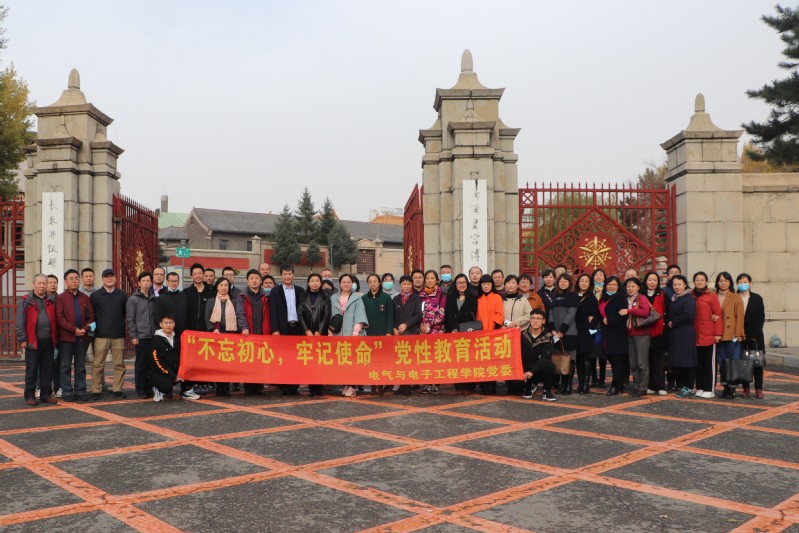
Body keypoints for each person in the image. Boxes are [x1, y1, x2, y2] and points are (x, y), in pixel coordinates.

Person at [16, 274, 58, 406]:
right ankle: (29, 395)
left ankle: (46, 395)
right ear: (33, 284)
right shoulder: (26, 300)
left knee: (47, 370)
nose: (42, 286)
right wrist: (22, 339)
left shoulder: (51, 300)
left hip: (49, 341)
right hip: (32, 341)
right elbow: (20, 321)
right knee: (32, 370)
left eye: (44, 283)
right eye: (39, 283)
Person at [56, 269, 95, 402]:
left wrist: (85, 329)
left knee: (80, 366)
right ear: (65, 281)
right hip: (66, 338)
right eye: (71, 278)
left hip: (82, 337)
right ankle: (67, 391)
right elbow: (60, 318)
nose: (74, 281)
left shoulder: (85, 298)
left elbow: (92, 317)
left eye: (76, 278)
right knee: (65, 366)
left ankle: (80, 391)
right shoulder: (60, 298)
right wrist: (74, 330)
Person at [89, 269, 128, 400]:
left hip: (118, 335)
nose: (109, 279)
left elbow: (125, 314)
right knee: (98, 365)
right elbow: (92, 316)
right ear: (102, 279)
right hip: (101, 335)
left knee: (119, 364)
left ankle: (117, 389)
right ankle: (96, 389)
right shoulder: (95, 296)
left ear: (115, 278)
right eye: (107, 277)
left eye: (112, 276)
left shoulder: (122, 295)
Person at [269, 265, 306, 395]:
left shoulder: (301, 291)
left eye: (290, 274)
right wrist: (275, 329)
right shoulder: (275, 291)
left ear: (293, 275)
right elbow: (272, 312)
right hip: (282, 329)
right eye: (285, 274)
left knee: (296, 358)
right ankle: (284, 385)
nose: (287, 276)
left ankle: (294, 385)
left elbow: (305, 312)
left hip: (297, 329)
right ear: (281, 276)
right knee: (283, 359)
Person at [330, 274, 368, 397]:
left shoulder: (357, 298)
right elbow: (330, 316)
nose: (346, 284)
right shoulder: (333, 298)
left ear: (352, 284)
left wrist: (355, 332)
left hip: (353, 334)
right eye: (344, 282)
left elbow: (360, 315)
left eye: (348, 282)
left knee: (353, 361)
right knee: (342, 361)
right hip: (338, 334)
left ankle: (351, 386)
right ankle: (345, 385)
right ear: (340, 284)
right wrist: (330, 332)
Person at [236, 269, 272, 395]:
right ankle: (248, 387)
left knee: (261, 360)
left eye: (257, 278)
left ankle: (259, 387)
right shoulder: (242, 296)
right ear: (247, 281)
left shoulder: (266, 296)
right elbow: (240, 313)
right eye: (251, 278)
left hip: (262, 333)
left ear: (261, 280)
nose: (254, 281)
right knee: (248, 360)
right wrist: (244, 327)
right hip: (248, 333)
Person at [126, 272, 160, 399]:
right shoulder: (133, 299)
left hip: (153, 336)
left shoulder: (153, 299)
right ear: (139, 283)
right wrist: (133, 336)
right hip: (141, 336)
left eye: (148, 281)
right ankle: (140, 389)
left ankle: (148, 387)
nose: (146, 283)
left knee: (151, 363)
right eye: (143, 281)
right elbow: (130, 319)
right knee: (141, 364)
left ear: (151, 283)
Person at [445, 273, 479, 395]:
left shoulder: (473, 297)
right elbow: (448, 315)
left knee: (469, 360)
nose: (461, 285)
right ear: (455, 284)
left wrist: (457, 316)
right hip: (454, 332)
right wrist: (454, 327)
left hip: (468, 332)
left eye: (464, 282)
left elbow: (471, 315)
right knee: (456, 360)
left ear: (467, 284)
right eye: (459, 283)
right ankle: (458, 386)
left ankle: (469, 386)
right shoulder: (450, 297)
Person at [204, 276, 238, 397]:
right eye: (221, 285)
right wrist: (212, 329)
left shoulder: (233, 301)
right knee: (218, 363)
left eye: (226, 285)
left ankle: (227, 388)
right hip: (216, 333)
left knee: (228, 362)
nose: (224, 288)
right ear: (217, 287)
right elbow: (207, 317)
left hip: (230, 333)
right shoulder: (211, 301)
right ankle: (219, 388)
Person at [299, 273, 331, 397]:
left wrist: (320, 331)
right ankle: (311, 388)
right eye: (312, 280)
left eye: (317, 280)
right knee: (310, 362)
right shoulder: (303, 296)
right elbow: (300, 314)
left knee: (320, 362)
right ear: (308, 283)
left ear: (321, 283)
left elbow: (327, 315)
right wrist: (306, 331)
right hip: (307, 334)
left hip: (320, 334)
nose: (314, 283)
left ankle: (319, 388)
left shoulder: (325, 297)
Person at [362, 273, 394, 395]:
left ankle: (380, 385)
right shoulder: (364, 298)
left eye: (375, 281)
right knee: (371, 361)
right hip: (369, 334)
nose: (373, 284)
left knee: (382, 361)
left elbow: (390, 316)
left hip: (383, 334)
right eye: (370, 282)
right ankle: (372, 386)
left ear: (379, 283)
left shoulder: (386, 298)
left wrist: (389, 332)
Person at [692, 271, 722, 399]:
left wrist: (718, 333)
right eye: (697, 280)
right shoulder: (690, 296)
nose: (699, 282)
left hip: (708, 334)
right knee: (698, 363)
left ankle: (709, 388)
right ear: (694, 281)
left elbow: (718, 315)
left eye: (702, 280)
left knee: (708, 363)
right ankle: (699, 387)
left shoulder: (711, 296)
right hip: (695, 335)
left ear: (706, 282)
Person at [716, 271, 745, 399]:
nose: (723, 283)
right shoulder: (713, 296)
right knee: (722, 362)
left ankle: (732, 388)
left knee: (732, 361)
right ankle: (725, 387)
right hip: (718, 334)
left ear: (730, 282)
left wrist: (739, 334)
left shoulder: (735, 297)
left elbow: (740, 317)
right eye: (721, 281)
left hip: (732, 335)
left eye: (726, 280)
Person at [667, 275, 697, 399]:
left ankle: (690, 388)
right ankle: (685, 387)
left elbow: (688, 315)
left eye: (679, 284)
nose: (677, 287)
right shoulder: (676, 298)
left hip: (685, 333)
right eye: (675, 284)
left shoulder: (688, 298)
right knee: (681, 362)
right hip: (677, 333)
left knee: (687, 361)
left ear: (685, 285)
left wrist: (673, 322)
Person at [549, 274, 578, 395]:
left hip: (569, 332)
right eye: (561, 281)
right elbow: (550, 312)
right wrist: (553, 329)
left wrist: (562, 330)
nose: (563, 283)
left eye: (566, 281)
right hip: (556, 332)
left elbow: (571, 314)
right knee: (559, 359)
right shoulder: (554, 295)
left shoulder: (573, 295)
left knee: (569, 359)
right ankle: (562, 385)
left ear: (570, 283)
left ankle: (568, 386)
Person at [392, 275, 422, 395]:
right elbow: (392, 315)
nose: (406, 286)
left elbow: (418, 315)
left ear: (412, 285)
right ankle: (401, 385)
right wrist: (394, 328)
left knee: (409, 360)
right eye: (404, 284)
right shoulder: (396, 299)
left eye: (408, 284)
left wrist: (406, 324)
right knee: (400, 361)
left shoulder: (416, 298)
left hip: (411, 332)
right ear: (400, 285)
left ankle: (408, 386)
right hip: (398, 334)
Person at [737, 273, 765, 399]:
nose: (743, 284)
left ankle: (758, 389)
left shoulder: (757, 298)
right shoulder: (734, 297)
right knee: (743, 363)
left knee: (757, 364)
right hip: (739, 337)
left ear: (750, 283)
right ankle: (746, 388)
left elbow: (760, 317)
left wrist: (752, 334)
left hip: (755, 337)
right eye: (740, 282)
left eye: (745, 281)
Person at [419, 269, 447, 394]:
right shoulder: (421, 295)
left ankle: (436, 383)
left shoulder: (441, 294)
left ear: (437, 280)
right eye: (427, 278)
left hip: (437, 331)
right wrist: (421, 325)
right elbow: (419, 312)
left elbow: (442, 313)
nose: (430, 280)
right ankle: (426, 383)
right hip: (423, 331)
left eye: (432, 278)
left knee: (436, 358)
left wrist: (429, 325)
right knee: (425, 357)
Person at [503, 274, 532, 395]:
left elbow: (529, 315)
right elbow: (498, 315)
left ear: (517, 285)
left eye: (513, 283)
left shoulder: (523, 299)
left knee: (520, 360)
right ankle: (509, 385)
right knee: (507, 361)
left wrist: (516, 322)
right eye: (508, 283)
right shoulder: (501, 299)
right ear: (505, 285)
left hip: (520, 334)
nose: (511, 285)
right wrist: (505, 324)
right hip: (505, 335)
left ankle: (521, 385)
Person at [476, 274, 504, 394]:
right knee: (481, 360)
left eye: (488, 284)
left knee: (492, 361)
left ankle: (491, 386)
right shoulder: (478, 298)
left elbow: (499, 314)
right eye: (484, 284)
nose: (486, 286)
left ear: (492, 285)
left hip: (493, 334)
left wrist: (494, 329)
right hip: (480, 334)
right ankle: (482, 385)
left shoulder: (497, 297)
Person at [521, 308, 557, 402]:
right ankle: (530, 385)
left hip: (539, 368)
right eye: (533, 318)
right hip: (525, 367)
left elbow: (545, 357)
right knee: (515, 388)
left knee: (550, 366)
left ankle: (546, 390)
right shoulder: (522, 334)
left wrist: (532, 371)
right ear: (530, 320)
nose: (535, 321)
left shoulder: (548, 337)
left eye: (538, 318)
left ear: (543, 321)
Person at [624, 277, 652, 397]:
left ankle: (643, 387)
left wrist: (629, 311)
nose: (630, 289)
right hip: (630, 334)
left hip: (641, 334)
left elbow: (645, 312)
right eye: (628, 286)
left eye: (633, 286)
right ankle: (636, 385)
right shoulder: (627, 299)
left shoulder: (641, 298)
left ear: (638, 287)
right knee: (633, 363)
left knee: (642, 363)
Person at [600, 276, 628, 396]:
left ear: (618, 286)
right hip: (606, 333)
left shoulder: (621, 297)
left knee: (617, 360)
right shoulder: (604, 297)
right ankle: (619, 383)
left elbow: (623, 315)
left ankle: (615, 385)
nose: (611, 286)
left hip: (617, 332)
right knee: (611, 359)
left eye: (613, 284)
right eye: (609, 284)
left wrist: (610, 320)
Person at [149, 314, 186, 402]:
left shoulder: (178, 338)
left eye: (170, 323)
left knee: (188, 375)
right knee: (166, 385)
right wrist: (173, 376)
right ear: (161, 324)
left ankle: (185, 391)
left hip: (173, 370)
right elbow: (157, 363)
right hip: (159, 372)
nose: (168, 325)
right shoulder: (155, 340)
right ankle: (158, 389)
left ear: (174, 324)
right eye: (166, 323)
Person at [642, 271, 667, 396]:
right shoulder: (641, 295)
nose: (652, 282)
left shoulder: (662, 295)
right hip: (644, 331)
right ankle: (650, 385)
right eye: (650, 280)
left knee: (659, 361)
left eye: (655, 280)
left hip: (658, 331)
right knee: (647, 361)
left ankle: (660, 386)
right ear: (646, 281)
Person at [575, 273, 600, 395]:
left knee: (586, 357)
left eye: (586, 281)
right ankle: (580, 384)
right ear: (578, 282)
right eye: (582, 281)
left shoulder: (591, 298)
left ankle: (586, 384)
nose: (584, 283)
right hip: (575, 330)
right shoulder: (573, 296)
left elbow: (596, 315)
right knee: (578, 358)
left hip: (586, 331)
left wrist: (591, 329)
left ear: (589, 284)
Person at [184, 263, 215, 332]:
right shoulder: (186, 292)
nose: (198, 276)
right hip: (190, 331)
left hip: (207, 331)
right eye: (195, 274)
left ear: (203, 275)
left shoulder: (211, 293)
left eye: (200, 273)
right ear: (191, 276)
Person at [590, 268, 608, 388]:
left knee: (602, 354)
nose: (599, 277)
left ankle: (602, 379)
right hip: (591, 325)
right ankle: (593, 378)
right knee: (592, 353)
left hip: (603, 325)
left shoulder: (608, 290)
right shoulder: (590, 290)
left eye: (601, 275)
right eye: (596, 275)